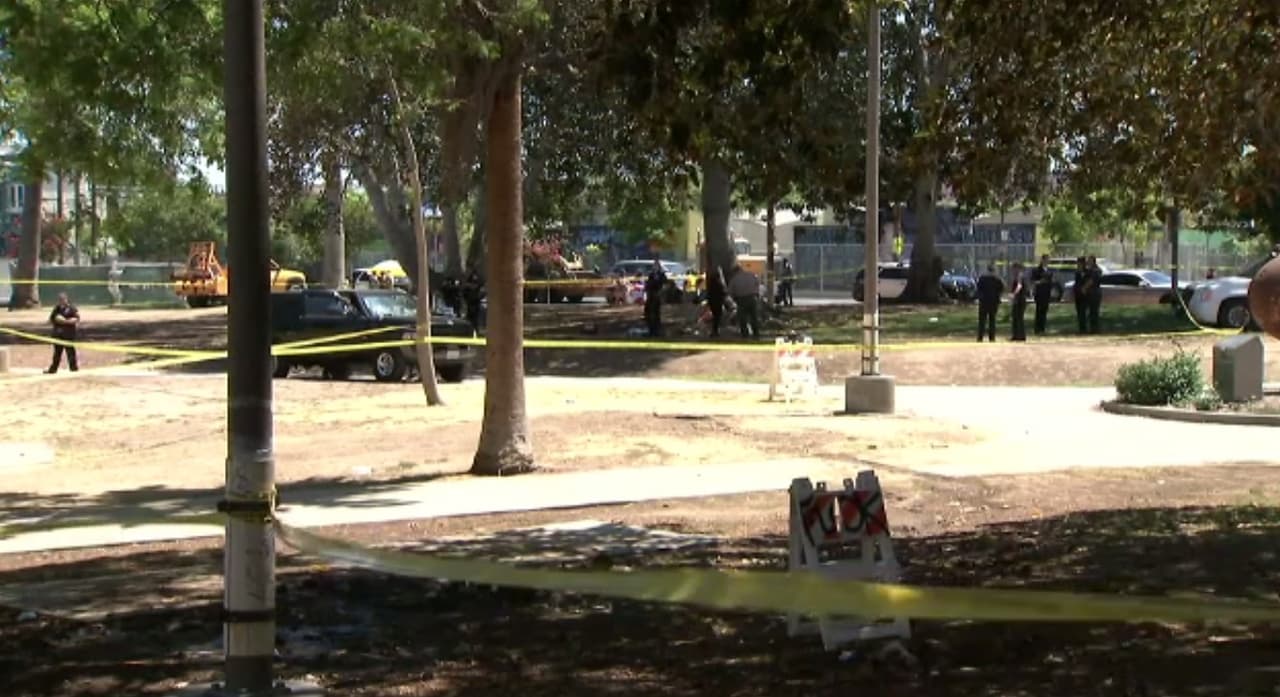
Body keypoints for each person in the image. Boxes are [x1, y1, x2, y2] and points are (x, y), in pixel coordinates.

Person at [46, 293, 80, 373]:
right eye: (60, 300)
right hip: (58, 335)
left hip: (68, 335)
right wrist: (56, 319)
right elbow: (50, 319)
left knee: (70, 352)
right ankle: (53, 369)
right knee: (57, 353)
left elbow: (77, 318)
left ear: (66, 299)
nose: (61, 301)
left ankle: (74, 369)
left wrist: (65, 321)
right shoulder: (56, 309)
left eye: (63, 299)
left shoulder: (72, 308)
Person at [727, 263, 761, 338]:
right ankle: (756, 333)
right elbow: (757, 283)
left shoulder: (734, 279)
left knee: (743, 318)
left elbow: (730, 291)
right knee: (754, 317)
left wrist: (733, 299)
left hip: (742, 299)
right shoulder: (751, 275)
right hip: (752, 298)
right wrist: (756, 293)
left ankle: (745, 334)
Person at [975, 265, 1004, 342]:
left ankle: (980, 337)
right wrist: (998, 297)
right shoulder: (997, 279)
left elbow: (978, 289)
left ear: (987, 270)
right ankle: (992, 337)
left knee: (982, 320)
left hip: (984, 302)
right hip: (993, 302)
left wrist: (979, 297)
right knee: (992, 320)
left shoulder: (982, 279)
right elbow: (1001, 289)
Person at [643, 259, 667, 337]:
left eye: (657, 265)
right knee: (648, 312)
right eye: (654, 265)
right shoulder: (651, 275)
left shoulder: (662, 275)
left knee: (656, 313)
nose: (655, 267)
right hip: (651, 295)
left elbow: (664, 284)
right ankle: (650, 330)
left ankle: (657, 330)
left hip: (658, 296)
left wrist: (660, 292)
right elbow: (648, 284)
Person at [1030, 254, 1053, 335]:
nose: (1047, 261)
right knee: (1039, 311)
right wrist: (1040, 282)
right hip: (1039, 293)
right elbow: (1032, 281)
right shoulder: (1036, 270)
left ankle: (1042, 329)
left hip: (1047, 293)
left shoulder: (1049, 271)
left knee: (1044, 311)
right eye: (1046, 259)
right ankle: (1037, 329)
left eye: (1048, 260)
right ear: (1042, 260)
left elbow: (1051, 282)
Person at [705, 265, 727, 338]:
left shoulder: (710, 282)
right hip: (718, 301)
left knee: (715, 316)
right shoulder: (719, 283)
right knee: (717, 316)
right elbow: (723, 292)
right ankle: (715, 330)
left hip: (712, 301)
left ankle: (714, 330)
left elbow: (709, 292)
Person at [1009, 263, 1028, 342]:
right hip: (1018, 299)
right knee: (1016, 317)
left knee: (1019, 318)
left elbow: (1019, 286)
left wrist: (1014, 294)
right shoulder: (1018, 276)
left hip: (1020, 300)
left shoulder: (1020, 276)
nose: (1013, 270)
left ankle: (1020, 336)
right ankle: (1016, 335)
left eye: (1014, 268)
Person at [1072, 256, 1089, 334]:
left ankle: (1084, 329)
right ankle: (1081, 329)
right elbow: (1076, 283)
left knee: (1083, 312)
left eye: (1079, 263)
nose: (1078, 264)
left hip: (1085, 295)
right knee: (1079, 312)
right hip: (1078, 294)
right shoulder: (1077, 272)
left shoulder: (1087, 272)